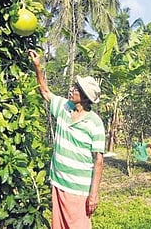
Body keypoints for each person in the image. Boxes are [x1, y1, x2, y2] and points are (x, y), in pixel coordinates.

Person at [28, 50, 105, 229]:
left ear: (85, 97)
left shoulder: (94, 123)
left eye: (76, 89)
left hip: (78, 189)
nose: (72, 89)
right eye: (74, 86)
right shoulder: (64, 107)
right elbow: (45, 92)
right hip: (58, 181)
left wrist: (93, 194)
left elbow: (99, 161)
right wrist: (38, 66)